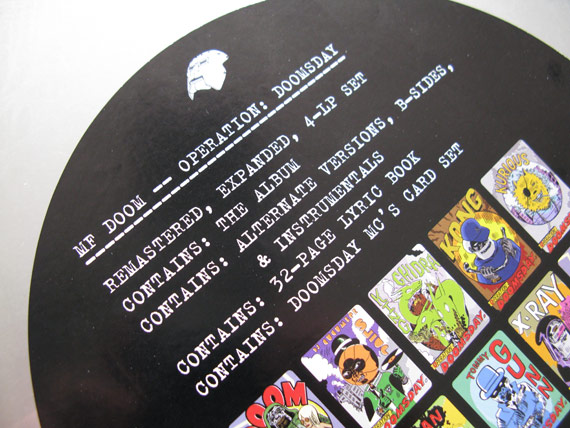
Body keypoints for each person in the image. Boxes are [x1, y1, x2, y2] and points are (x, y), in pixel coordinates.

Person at [476, 365, 547, 428]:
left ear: (506, 381)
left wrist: (537, 417)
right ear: (494, 398)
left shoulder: (523, 387)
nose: (502, 391)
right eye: (496, 392)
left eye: (502, 385)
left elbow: (541, 400)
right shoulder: (501, 418)